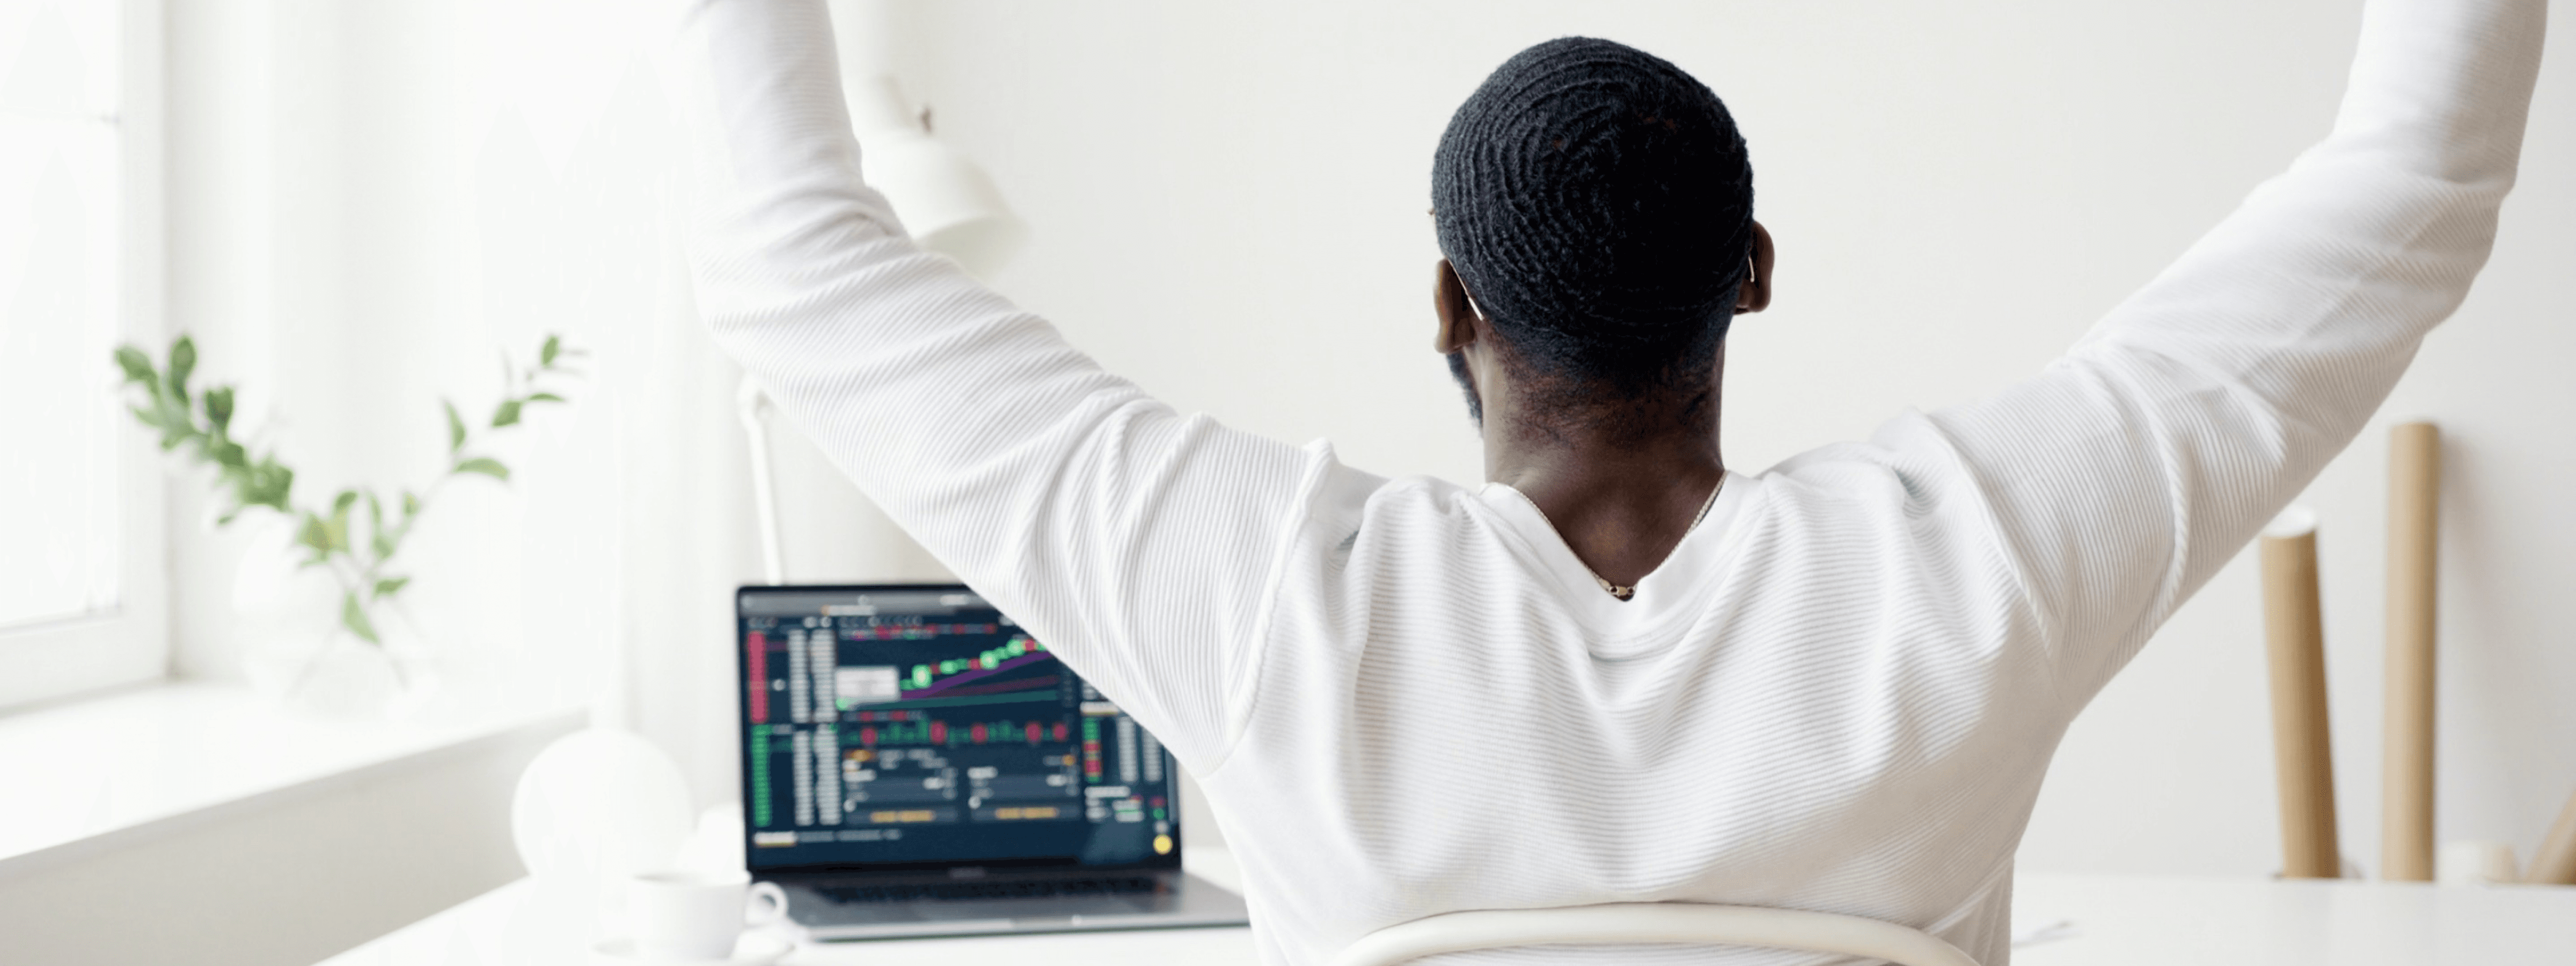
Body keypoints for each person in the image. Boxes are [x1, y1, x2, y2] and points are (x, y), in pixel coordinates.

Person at [667, 0, 2545, 961]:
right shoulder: (1980, 565)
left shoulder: (1253, 590)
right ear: (1756, 272)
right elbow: (2415, 188)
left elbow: (784, 262)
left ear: (1447, 307)